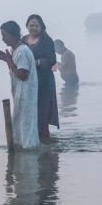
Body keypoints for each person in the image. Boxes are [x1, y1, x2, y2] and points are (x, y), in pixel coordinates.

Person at [0, 21, 40, 150]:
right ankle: (20, 153)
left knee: (27, 127)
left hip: (27, 96)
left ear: (14, 35)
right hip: (20, 95)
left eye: (5, 35)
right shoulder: (14, 50)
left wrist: (8, 60)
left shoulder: (22, 52)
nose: (3, 39)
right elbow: (14, 70)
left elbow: (22, 74)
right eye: (2, 35)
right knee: (20, 126)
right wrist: (7, 59)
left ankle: (30, 156)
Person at [22, 14, 59, 142]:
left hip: (43, 82)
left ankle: (44, 142)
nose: (33, 28)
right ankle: (31, 138)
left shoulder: (46, 41)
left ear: (41, 27)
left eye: (36, 25)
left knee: (42, 113)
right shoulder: (23, 40)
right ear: (27, 26)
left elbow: (51, 60)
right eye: (31, 25)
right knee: (28, 112)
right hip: (27, 82)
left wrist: (36, 62)